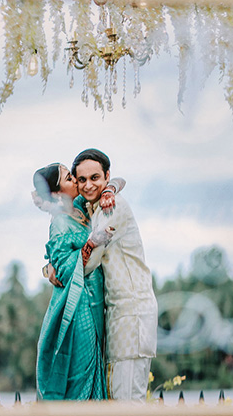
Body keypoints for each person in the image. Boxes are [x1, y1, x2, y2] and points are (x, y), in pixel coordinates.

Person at [71, 148, 158, 402]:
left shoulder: (112, 207)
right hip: (121, 315)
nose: (88, 185)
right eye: (82, 180)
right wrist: (112, 187)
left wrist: (58, 268)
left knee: (128, 401)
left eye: (95, 178)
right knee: (121, 400)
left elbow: (89, 263)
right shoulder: (96, 206)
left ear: (107, 176)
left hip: (132, 313)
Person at [32, 163, 114, 401]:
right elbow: (65, 270)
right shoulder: (59, 223)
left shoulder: (80, 206)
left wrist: (109, 191)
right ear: (58, 193)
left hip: (96, 301)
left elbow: (116, 181)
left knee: (96, 367)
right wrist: (91, 243)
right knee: (82, 373)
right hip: (78, 306)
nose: (77, 181)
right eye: (69, 178)